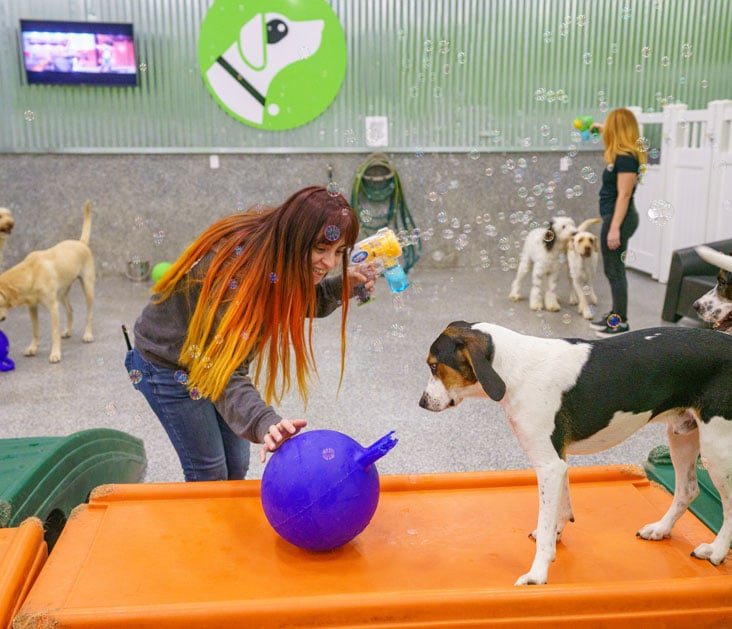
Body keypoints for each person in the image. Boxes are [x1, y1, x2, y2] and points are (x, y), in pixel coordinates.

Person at [125, 186, 375, 481]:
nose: (330, 263)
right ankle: (209, 527)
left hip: (211, 358)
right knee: (211, 471)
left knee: (237, 465)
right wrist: (263, 420)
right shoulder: (238, 275)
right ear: (295, 237)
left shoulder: (279, 249)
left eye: (338, 252)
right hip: (167, 363)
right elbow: (224, 372)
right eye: (321, 250)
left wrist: (340, 287)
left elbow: (295, 298)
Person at [588, 108, 647, 337]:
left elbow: (623, 195)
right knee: (613, 269)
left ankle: (620, 322)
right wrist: (600, 126)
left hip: (619, 220)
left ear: (618, 130)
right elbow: (612, 131)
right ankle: (615, 314)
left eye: (610, 126)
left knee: (614, 271)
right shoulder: (625, 153)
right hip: (616, 218)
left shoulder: (625, 159)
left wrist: (614, 228)